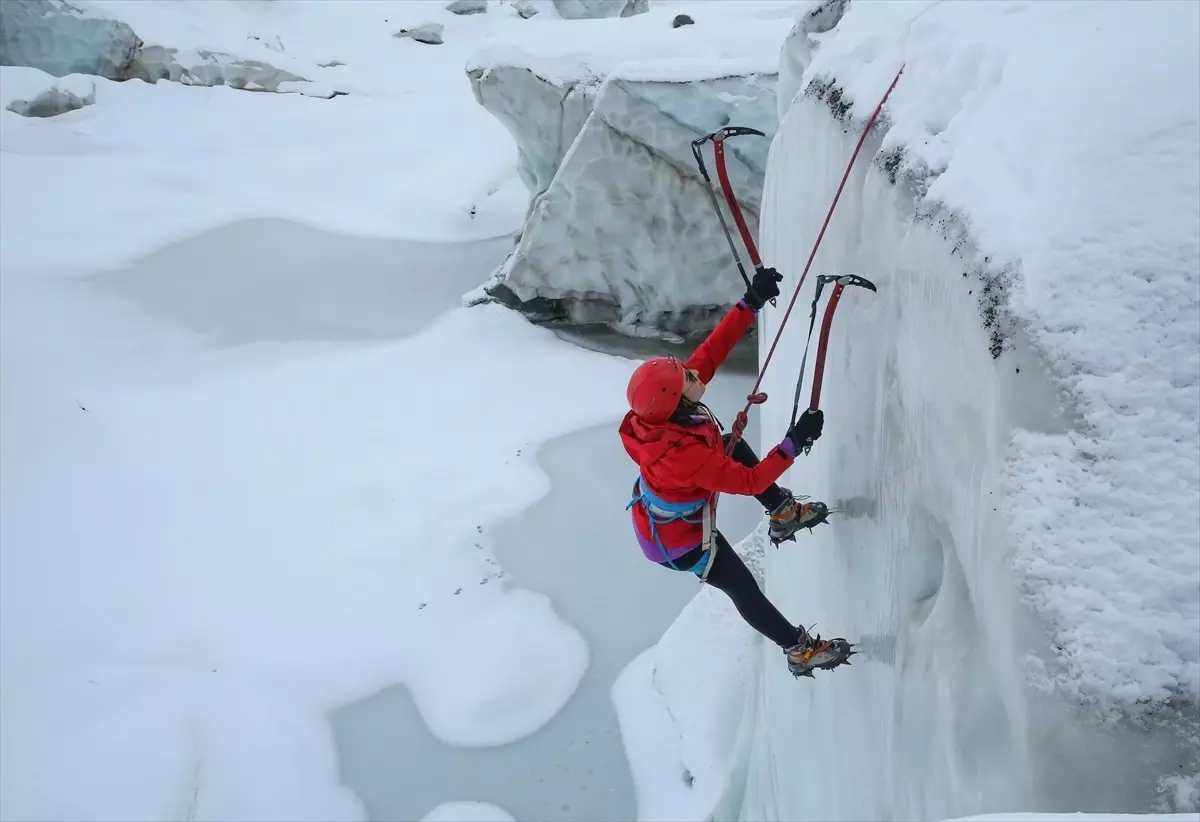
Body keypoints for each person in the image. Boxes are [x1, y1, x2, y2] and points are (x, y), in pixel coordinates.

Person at [619, 267, 853, 678]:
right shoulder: (684, 455)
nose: (695, 372)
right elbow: (750, 482)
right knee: (741, 587)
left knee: (731, 442)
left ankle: (782, 514)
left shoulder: (670, 408)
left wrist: (751, 302)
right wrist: (792, 445)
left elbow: (710, 353)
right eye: (686, 376)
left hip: (665, 515)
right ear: (675, 399)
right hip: (680, 543)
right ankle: (798, 650)